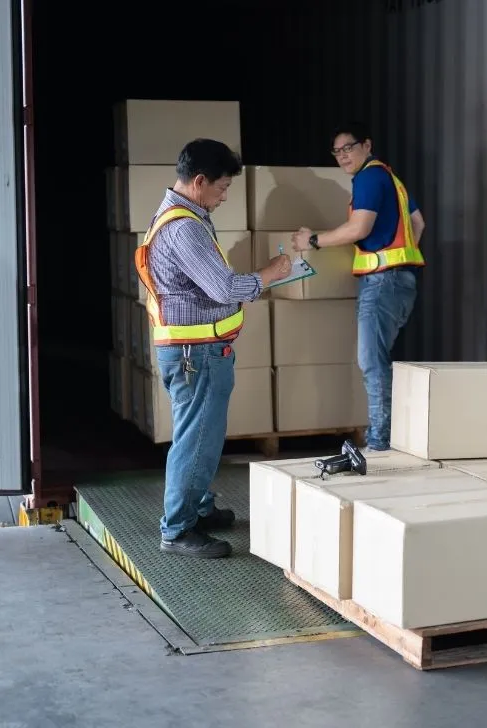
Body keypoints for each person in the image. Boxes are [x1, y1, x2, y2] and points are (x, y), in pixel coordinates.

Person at [136, 138, 292, 558]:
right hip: (196, 354)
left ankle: (198, 508)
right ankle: (178, 529)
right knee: (198, 438)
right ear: (199, 181)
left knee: (203, 435)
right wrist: (271, 274)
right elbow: (224, 288)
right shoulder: (185, 227)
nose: (224, 197)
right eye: (222, 188)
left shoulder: (181, 215)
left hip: (198, 351)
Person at [291, 123, 425, 452]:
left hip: (382, 283)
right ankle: (386, 436)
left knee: (371, 360)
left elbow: (358, 227)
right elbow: (418, 223)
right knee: (377, 358)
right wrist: (398, 260)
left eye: (348, 148)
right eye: (336, 152)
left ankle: (379, 441)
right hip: (399, 281)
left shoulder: (368, 177)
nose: (342, 156)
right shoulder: (391, 179)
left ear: (367, 145)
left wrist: (312, 240)